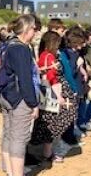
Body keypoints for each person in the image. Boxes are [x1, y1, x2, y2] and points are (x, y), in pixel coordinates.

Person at [0, 14, 40, 176]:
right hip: (19, 98)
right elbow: (25, 80)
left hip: (6, 96)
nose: (36, 33)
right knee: (19, 137)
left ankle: (10, 173)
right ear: (27, 29)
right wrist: (33, 103)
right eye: (35, 29)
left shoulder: (9, 44)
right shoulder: (22, 49)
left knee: (8, 134)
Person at [31, 31, 77, 163]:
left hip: (46, 93)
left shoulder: (43, 55)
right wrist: (59, 97)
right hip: (51, 94)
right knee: (53, 124)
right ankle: (48, 153)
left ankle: (48, 152)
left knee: (48, 123)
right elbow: (52, 78)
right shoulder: (49, 56)